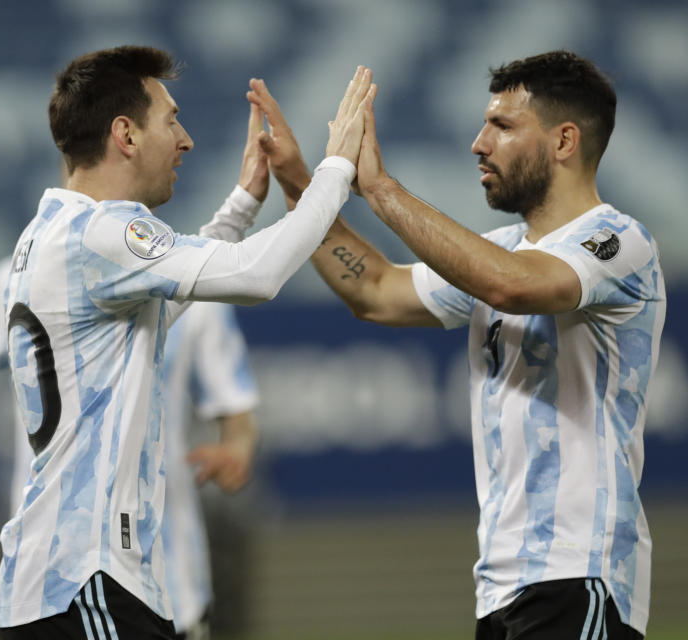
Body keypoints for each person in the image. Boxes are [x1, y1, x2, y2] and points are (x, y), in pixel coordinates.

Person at [248, 50, 664, 639]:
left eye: (502, 126)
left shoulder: (619, 242)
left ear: (564, 141)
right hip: (502, 583)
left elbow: (514, 286)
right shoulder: (501, 250)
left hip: (581, 572)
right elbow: (375, 290)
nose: (478, 142)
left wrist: (381, 190)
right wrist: (301, 184)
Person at [0, 45, 374, 639]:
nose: (186, 139)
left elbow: (171, 295)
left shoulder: (58, 235)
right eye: (170, 120)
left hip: (71, 580)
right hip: (84, 580)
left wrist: (244, 203)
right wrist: (336, 168)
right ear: (125, 134)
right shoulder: (101, 232)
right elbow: (256, 275)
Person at [0, 257, 260, 640]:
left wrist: (237, 446)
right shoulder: (18, 276)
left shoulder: (185, 273)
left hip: (169, 575)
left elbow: (235, 404)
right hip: (52, 582)